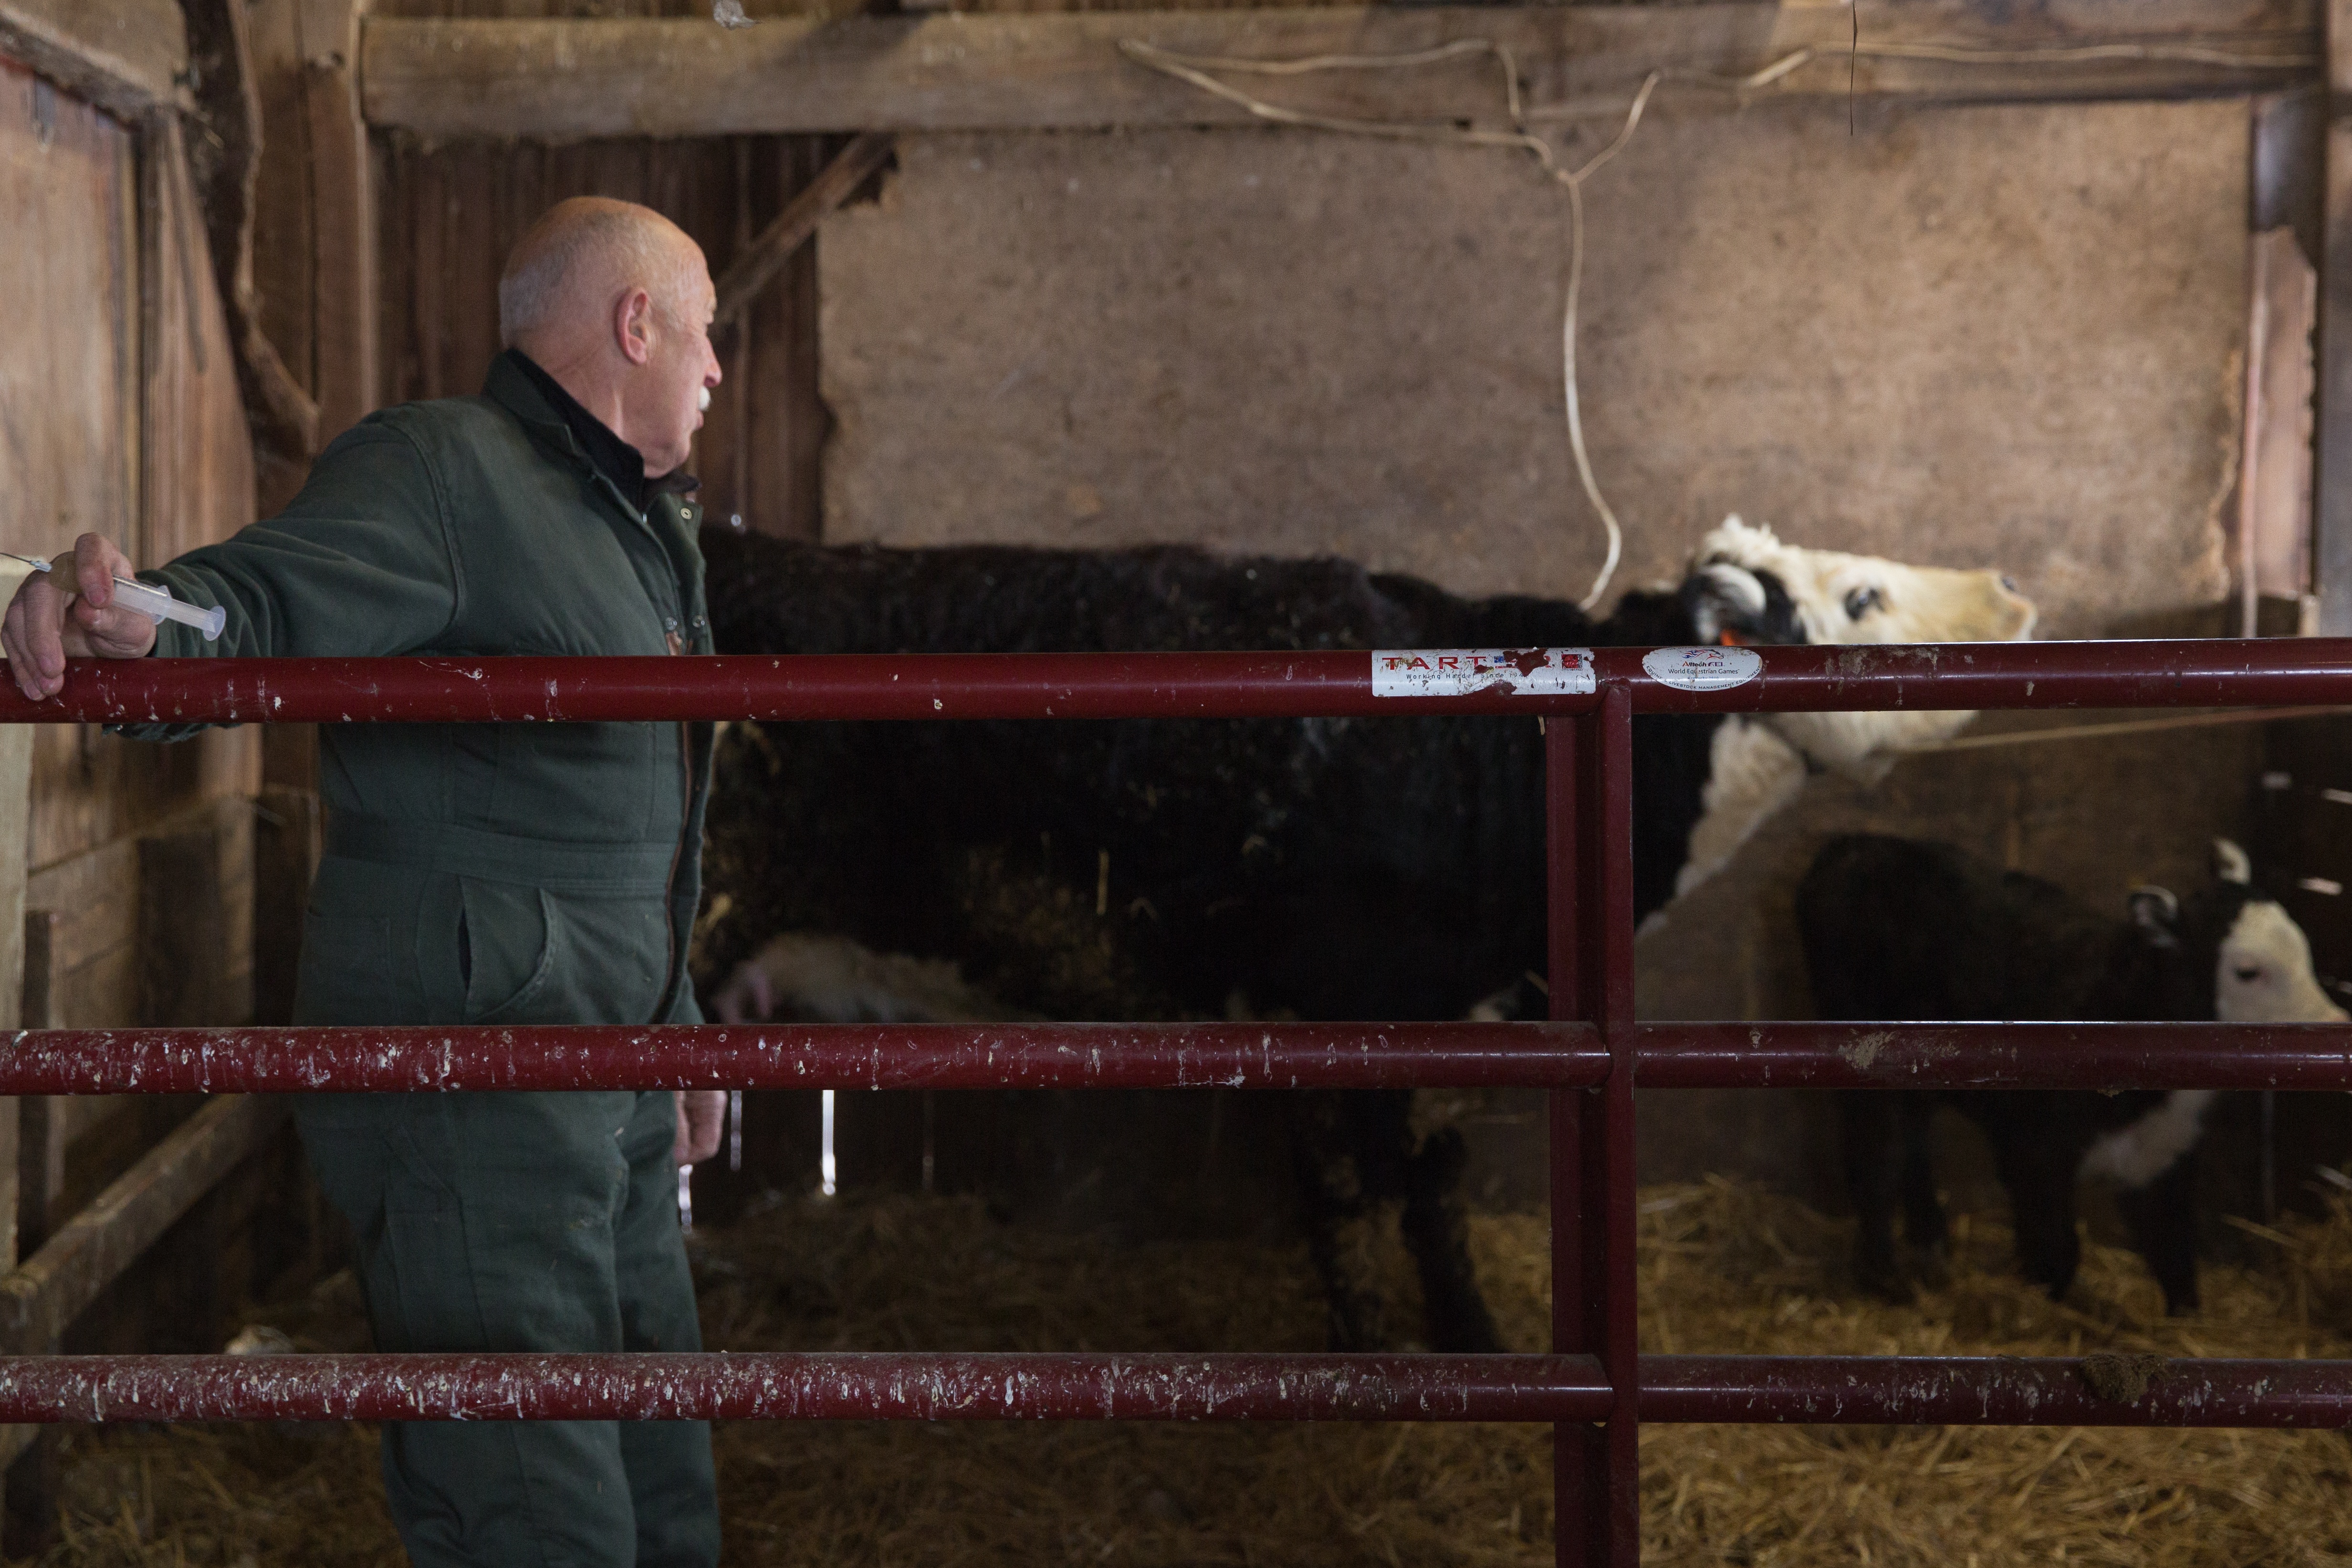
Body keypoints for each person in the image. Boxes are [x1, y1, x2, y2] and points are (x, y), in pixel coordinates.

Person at [2, 197, 732, 1568]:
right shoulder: (449, 471)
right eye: (703, 331)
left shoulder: (644, 533)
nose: (714, 367)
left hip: (609, 1066)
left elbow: (635, 821)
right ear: (636, 323)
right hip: (485, 1070)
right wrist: (123, 624)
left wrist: (677, 1021)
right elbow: (258, 607)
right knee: (534, 1506)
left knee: (662, 1472)